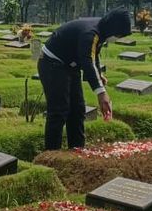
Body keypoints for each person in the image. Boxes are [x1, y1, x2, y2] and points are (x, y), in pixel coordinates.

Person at [38, 9, 132, 151]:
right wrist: (101, 92)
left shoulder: (100, 30)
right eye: (118, 34)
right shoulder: (91, 32)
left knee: (77, 110)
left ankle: (77, 151)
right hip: (53, 64)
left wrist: (97, 75)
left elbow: (93, 54)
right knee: (59, 110)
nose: (117, 37)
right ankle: (51, 155)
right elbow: (87, 60)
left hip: (70, 65)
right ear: (113, 28)